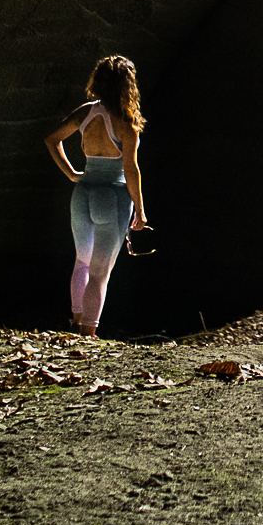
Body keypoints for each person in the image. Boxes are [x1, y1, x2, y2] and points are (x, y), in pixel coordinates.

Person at [44, 55, 152, 338]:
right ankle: (89, 334)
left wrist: (71, 173)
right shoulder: (126, 123)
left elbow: (51, 139)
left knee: (81, 261)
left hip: (82, 193)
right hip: (112, 197)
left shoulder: (85, 112)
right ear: (128, 86)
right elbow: (131, 169)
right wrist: (140, 211)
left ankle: (75, 324)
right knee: (100, 273)